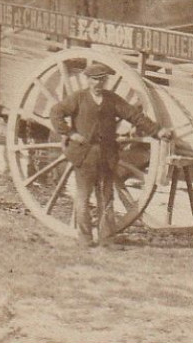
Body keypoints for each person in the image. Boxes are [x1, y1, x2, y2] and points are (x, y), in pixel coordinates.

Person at [51, 60, 173, 246]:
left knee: (106, 197)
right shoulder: (78, 98)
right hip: (84, 156)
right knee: (83, 198)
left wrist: (157, 131)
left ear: (106, 81)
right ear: (88, 80)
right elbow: (56, 111)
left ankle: (106, 238)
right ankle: (84, 238)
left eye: (101, 80)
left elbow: (134, 116)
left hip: (107, 156)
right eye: (94, 80)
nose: (98, 84)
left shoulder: (112, 100)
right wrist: (70, 133)